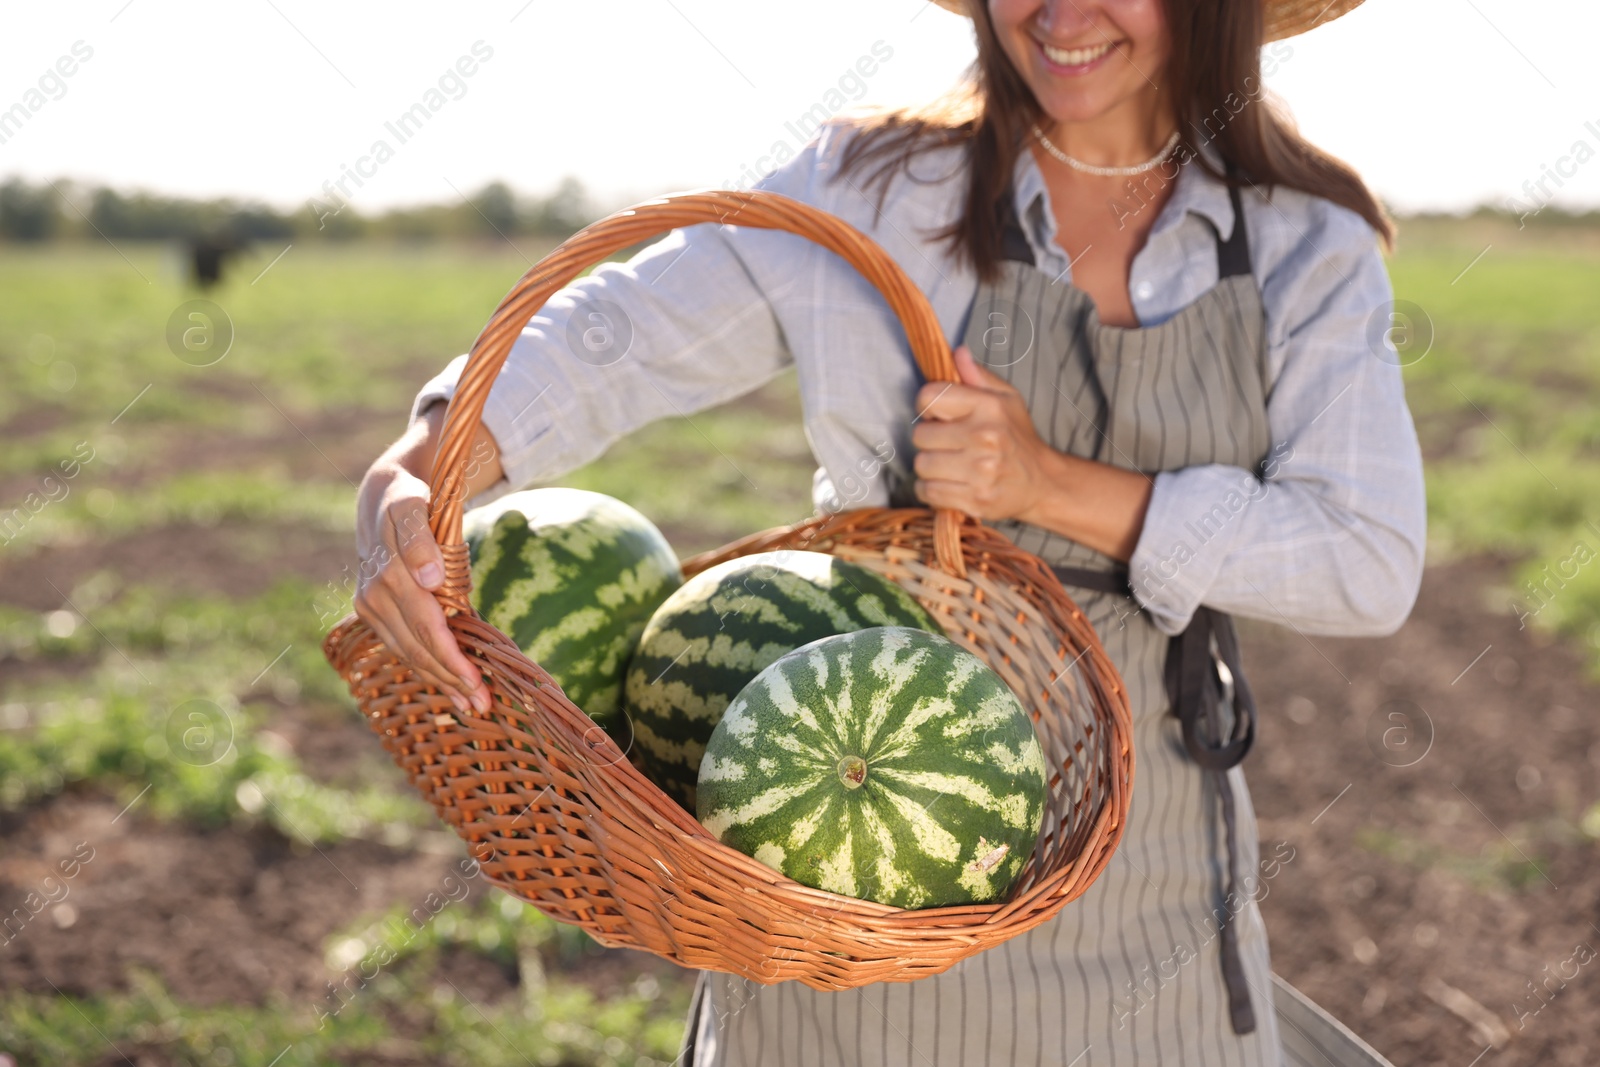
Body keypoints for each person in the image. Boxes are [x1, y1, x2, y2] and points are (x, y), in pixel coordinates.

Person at [353, 0, 1425, 1062]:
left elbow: (1365, 558)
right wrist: (423, 461)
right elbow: (616, 336)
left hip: (1147, 860)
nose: (1061, 13)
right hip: (832, 871)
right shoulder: (869, 189)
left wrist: (1046, 483)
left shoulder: (1301, 242)